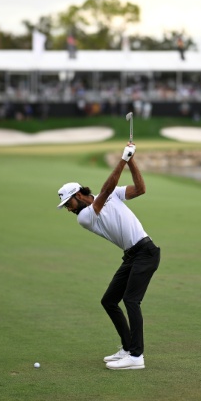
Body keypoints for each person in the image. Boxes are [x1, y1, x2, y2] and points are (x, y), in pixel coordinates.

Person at [56, 142, 161, 370]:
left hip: (146, 252)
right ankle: (127, 348)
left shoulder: (112, 194)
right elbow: (105, 192)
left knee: (131, 300)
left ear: (78, 195)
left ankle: (136, 357)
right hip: (132, 256)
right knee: (109, 300)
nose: (68, 209)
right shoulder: (84, 217)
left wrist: (131, 160)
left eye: (68, 203)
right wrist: (123, 159)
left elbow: (140, 189)